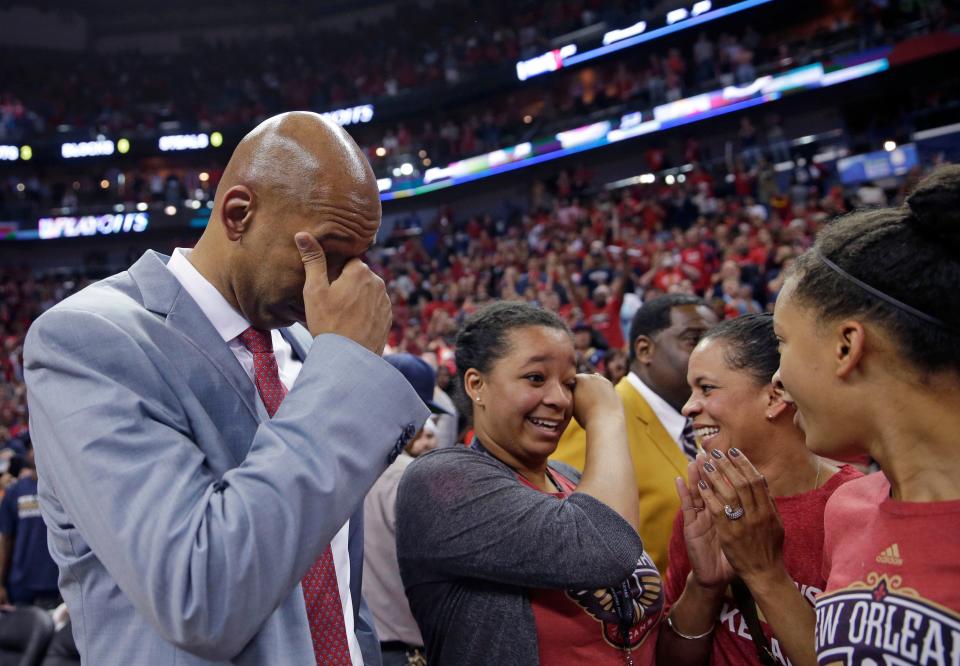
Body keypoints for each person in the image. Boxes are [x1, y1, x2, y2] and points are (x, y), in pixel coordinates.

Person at [24, 112, 430, 664]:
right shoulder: (90, 340)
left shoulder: (311, 354)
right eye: (326, 256)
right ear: (239, 214)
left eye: (358, 259)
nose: (341, 286)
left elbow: (334, 581)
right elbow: (200, 596)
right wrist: (346, 374)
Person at [691, 165, 960, 665]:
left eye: (782, 343)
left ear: (846, 346)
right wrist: (767, 575)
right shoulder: (850, 508)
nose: (779, 380)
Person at [396, 302, 663, 665]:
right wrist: (606, 415)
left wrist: (702, 587)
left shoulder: (571, 479)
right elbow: (604, 550)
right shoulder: (441, 480)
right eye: (536, 378)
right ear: (477, 385)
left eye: (569, 383)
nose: (560, 399)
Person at [658, 313, 860, 665]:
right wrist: (703, 588)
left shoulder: (856, 509)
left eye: (706, 388)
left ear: (775, 395)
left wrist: (763, 573)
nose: (688, 407)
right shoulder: (707, 503)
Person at [553, 294, 717, 573]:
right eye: (694, 339)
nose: (709, 354)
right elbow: (572, 541)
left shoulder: (707, 420)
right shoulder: (593, 418)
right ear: (644, 350)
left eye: (714, 341)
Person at [362, 353, 450, 666]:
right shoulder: (408, 476)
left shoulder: (345, 465)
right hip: (407, 652)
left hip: (356, 647)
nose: (425, 423)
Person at [0, 436, 61, 609]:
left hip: (57, 585)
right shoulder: (14, 492)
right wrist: (1, 584)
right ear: (27, 453)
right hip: (21, 585)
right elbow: (6, 541)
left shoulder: (63, 489)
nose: (36, 450)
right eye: (32, 446)